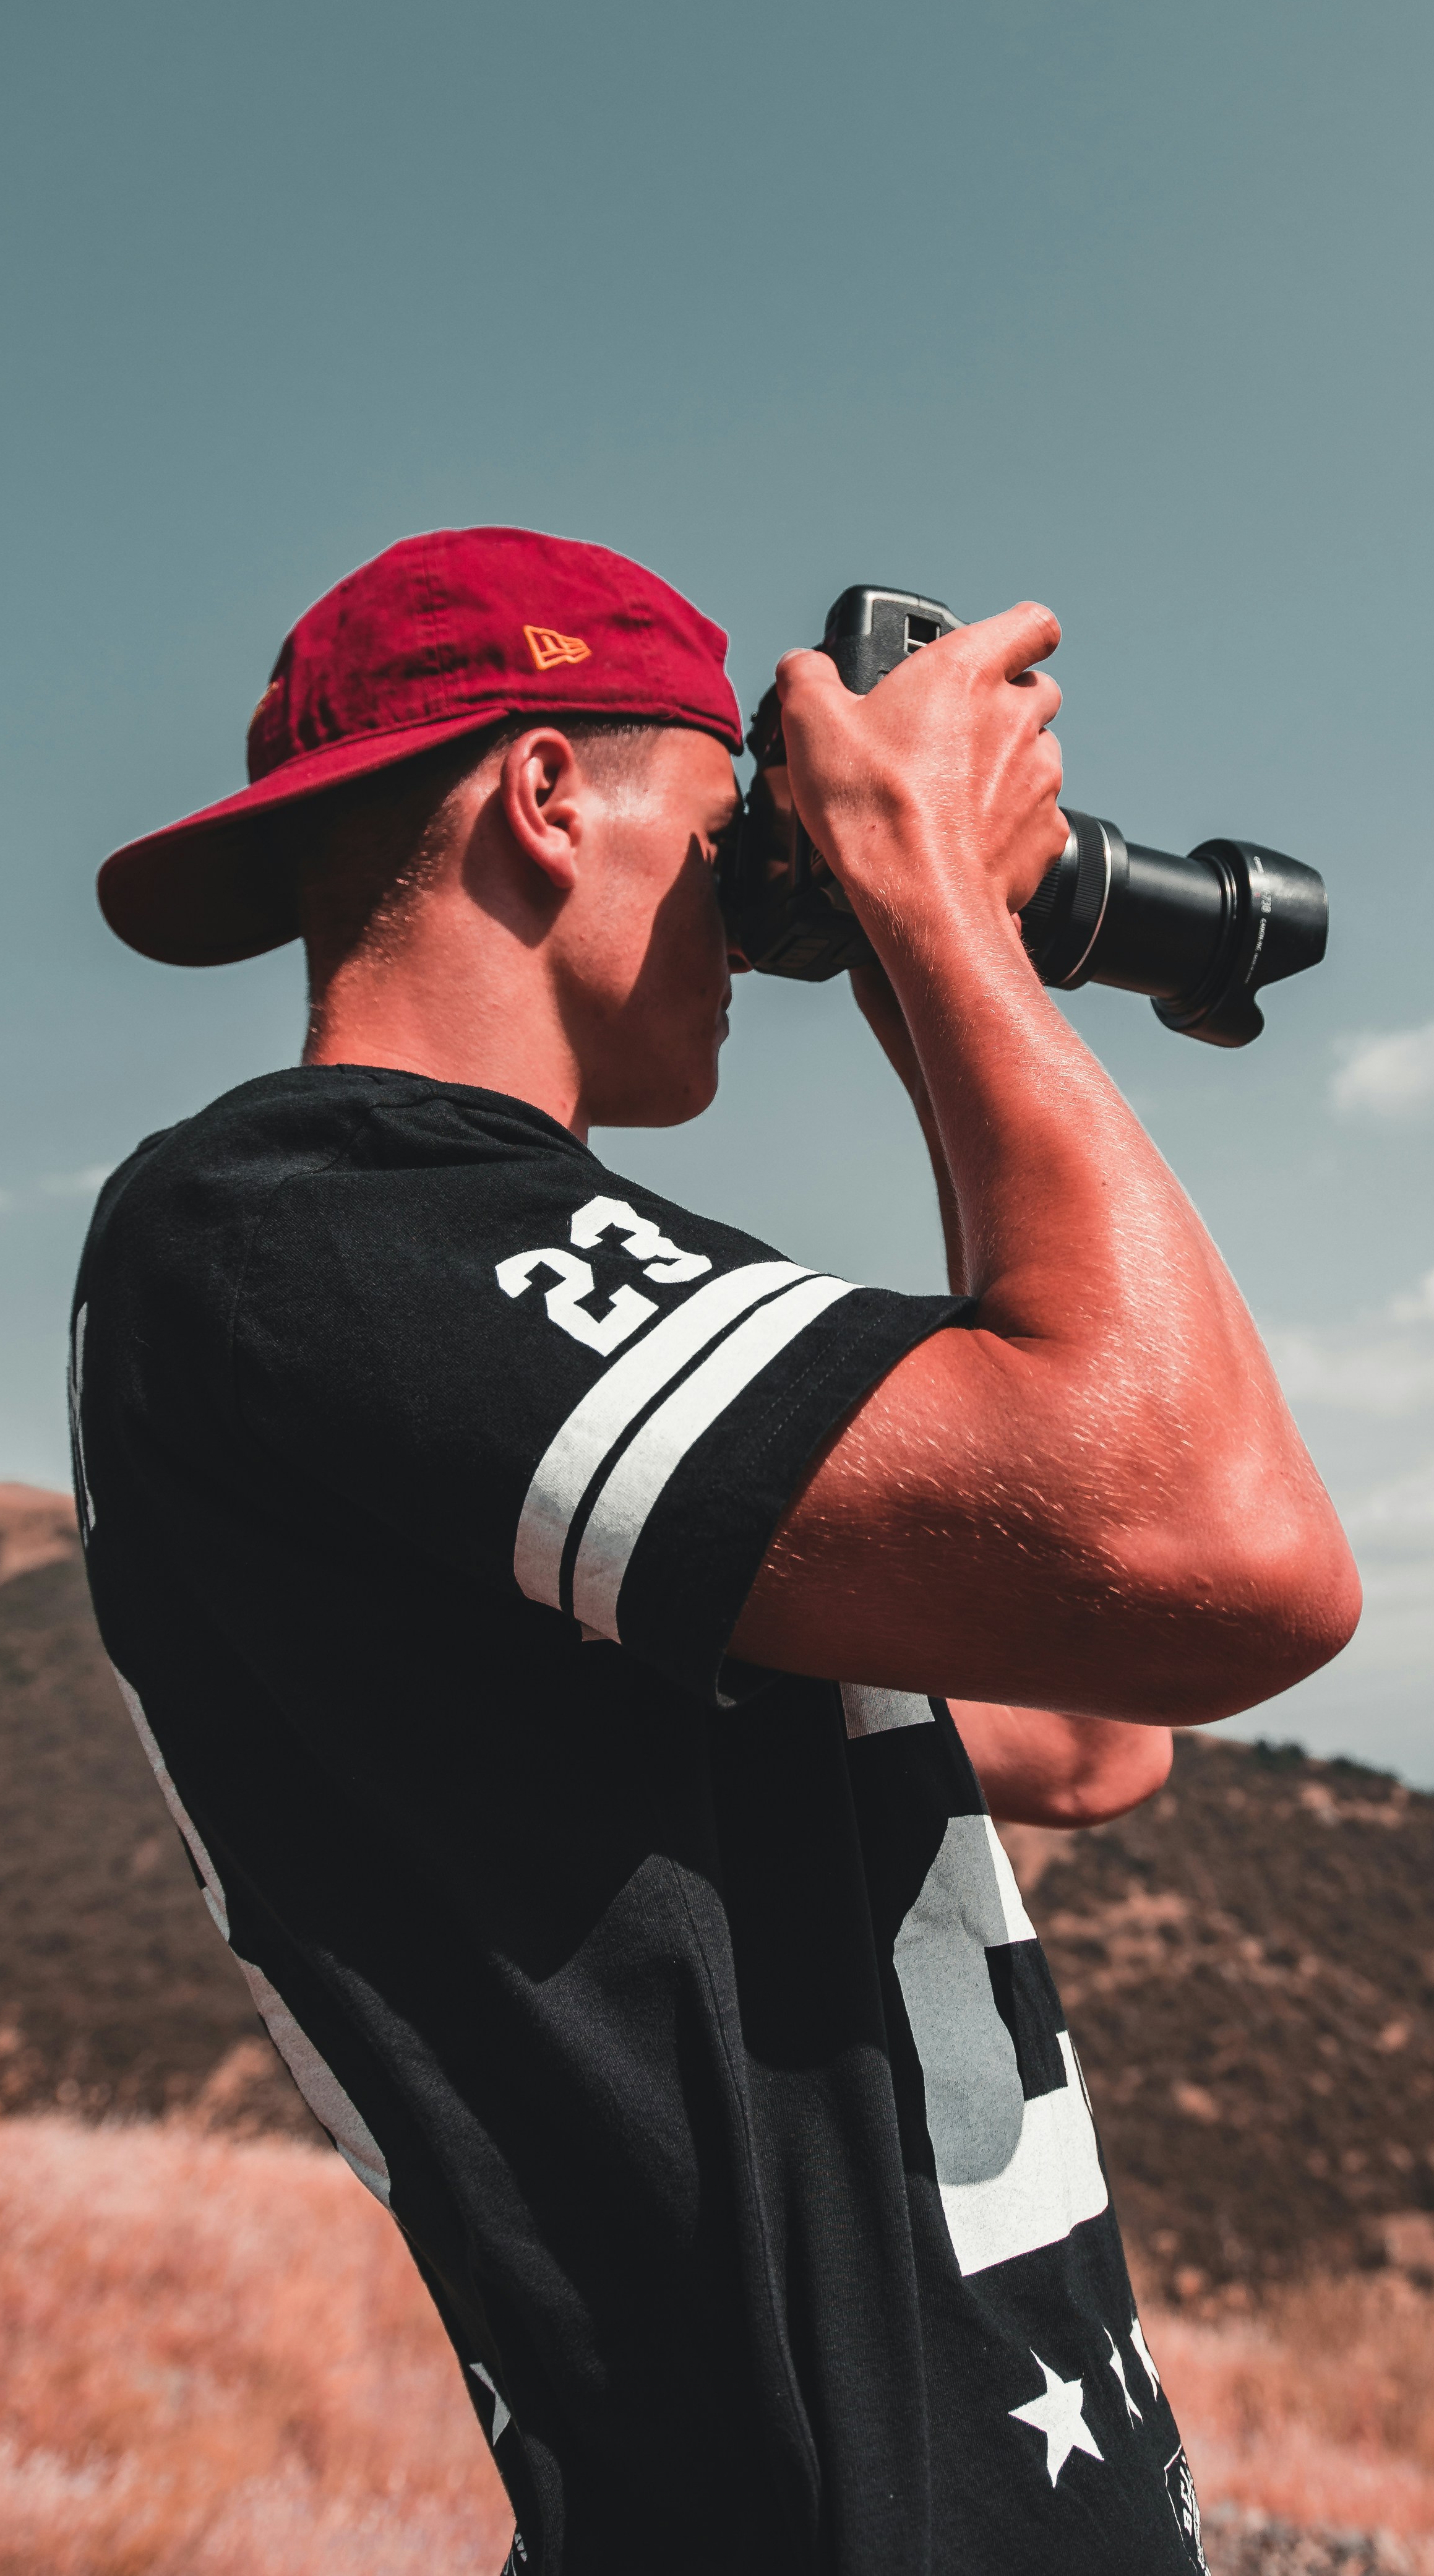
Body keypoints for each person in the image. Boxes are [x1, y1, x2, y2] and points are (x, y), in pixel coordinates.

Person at [73, 527, 1359, 2576]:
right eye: (734, 829)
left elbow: (1102, 1728)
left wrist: (946, 961)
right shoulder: (299, 1228)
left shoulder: (474, 1322)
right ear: (550, 797)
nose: (773, 910)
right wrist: (931, 899)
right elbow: (1230, 1556)